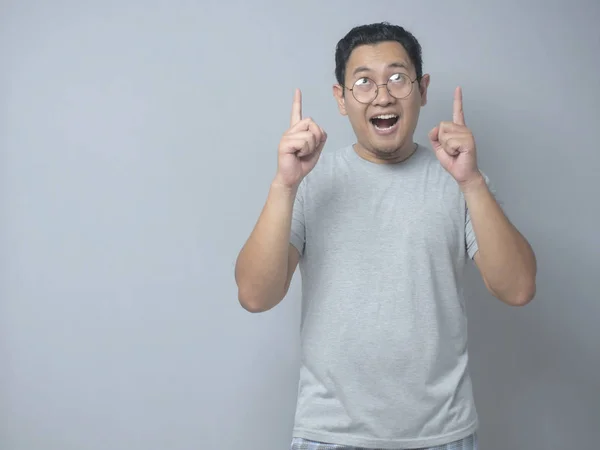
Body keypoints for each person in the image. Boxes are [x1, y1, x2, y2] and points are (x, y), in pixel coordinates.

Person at [234, 22, 537, 450]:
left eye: (398, 78)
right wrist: (284, 186)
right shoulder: (310, 183)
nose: (382, 95)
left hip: (442, 434)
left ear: (422, 89)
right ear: (341, 98)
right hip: (330, 434)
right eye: (363, 82)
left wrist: (471, 183)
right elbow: (255, 295)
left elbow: (519, 287)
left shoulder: (460, 181)